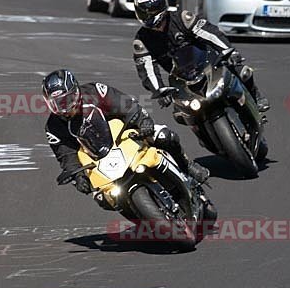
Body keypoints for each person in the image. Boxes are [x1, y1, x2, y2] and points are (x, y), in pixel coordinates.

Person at [42, 69, 210, 196]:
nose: (64, 108)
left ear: (76, 91)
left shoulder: (95, 92)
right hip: (96, 157)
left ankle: (186, 166)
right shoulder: (53, 126)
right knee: (101, 198)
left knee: (165, 136)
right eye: (57, 104)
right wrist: (78, 176)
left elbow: (125, 104)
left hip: (125, 133)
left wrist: (143, 121)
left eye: (67, 100)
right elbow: (66, 154)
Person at [131, 0, 270, 112]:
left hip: (210, 62)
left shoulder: (182, 18)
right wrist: (159, 90)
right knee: (179, 113)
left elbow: (210, 33)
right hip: (181, 79)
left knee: (243, 72)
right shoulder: (142, 40)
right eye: (144, 13)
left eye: (152, 11)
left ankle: (255, 96)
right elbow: (146, 69)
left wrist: (229, 51)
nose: (149, 16)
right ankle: (204, 138)